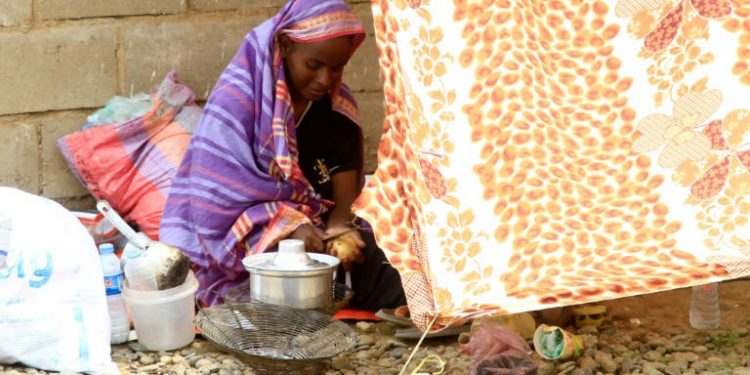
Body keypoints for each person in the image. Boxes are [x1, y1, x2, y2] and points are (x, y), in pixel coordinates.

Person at [160, 0, 406, 310]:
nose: (325, 79)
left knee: (398, 263)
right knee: (277, 283)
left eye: (337, 67)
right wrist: (290, 229)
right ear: (286, 46)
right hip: (251, 244)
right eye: (314, 66)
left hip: (320, 234)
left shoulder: (334, 104)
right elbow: (215, 205)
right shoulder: (236, 104)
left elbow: (346, 163)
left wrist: (340, 224)